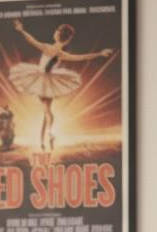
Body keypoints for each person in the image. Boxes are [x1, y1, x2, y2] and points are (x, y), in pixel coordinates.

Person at [8, 21, 115, 152]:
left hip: (42, 82)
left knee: (46, 111)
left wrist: (21, 30)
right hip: (50, 82)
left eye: (56, 31)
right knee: (46, 112)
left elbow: (32, 40)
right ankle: (44, 140)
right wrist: (99, 54)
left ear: (58, 34)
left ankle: (48, 136)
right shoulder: (62, 54)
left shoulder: (47, 47)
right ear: (66, 39)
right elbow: (81, 57)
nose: (54, 32)